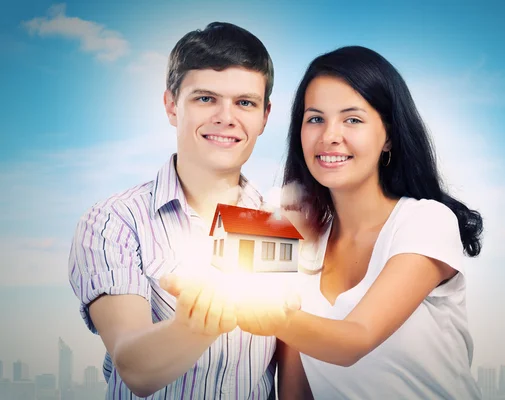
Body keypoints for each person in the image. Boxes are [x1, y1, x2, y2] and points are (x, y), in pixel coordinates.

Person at [163, 45, 484, 398]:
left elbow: (355, 340)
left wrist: (262, 312)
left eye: (353, 119)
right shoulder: (299, 241)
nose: (330, 135)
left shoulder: (425, 221)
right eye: (315, 118)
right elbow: (294, 387)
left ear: (389, 136)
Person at [68, 22, 277, 399]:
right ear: (171, 106)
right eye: (205, 98)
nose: (226, 117)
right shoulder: (113, 222)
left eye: (245, 102)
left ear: (264, 115)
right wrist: (202, 321)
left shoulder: (279, 225)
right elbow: (134, 368)